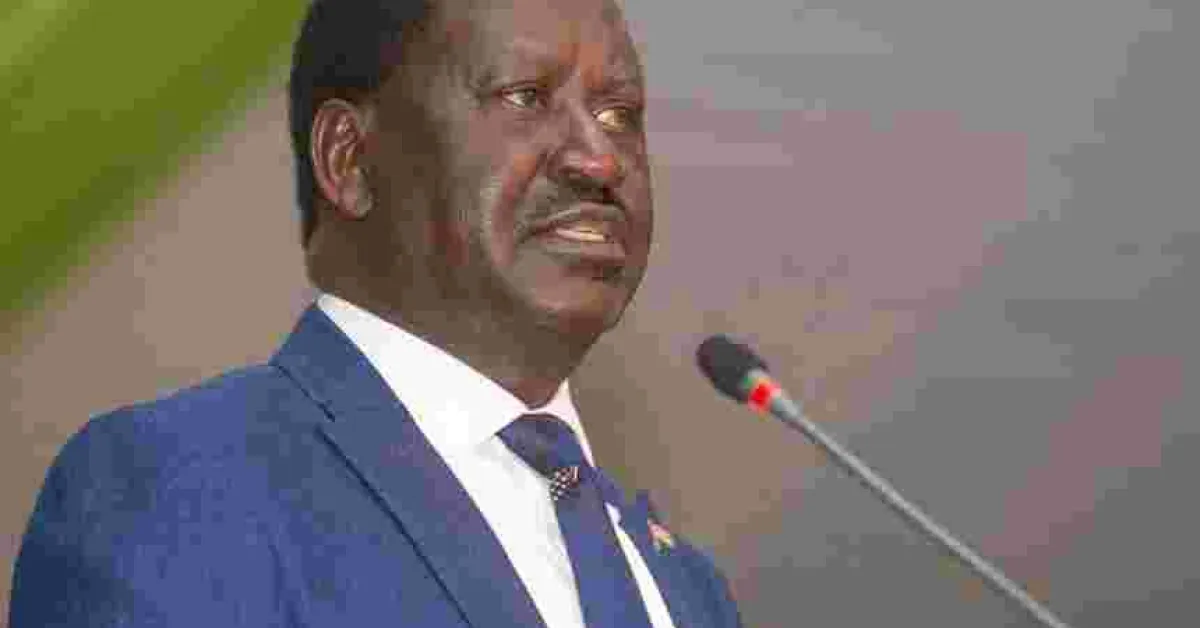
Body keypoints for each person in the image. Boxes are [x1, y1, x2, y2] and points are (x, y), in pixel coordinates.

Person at [9, 0, 743, 626]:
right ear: (349, 159)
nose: (601, 159)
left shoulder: (687, 589)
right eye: (526, 96)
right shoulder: (182, 491)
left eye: (619, 113)